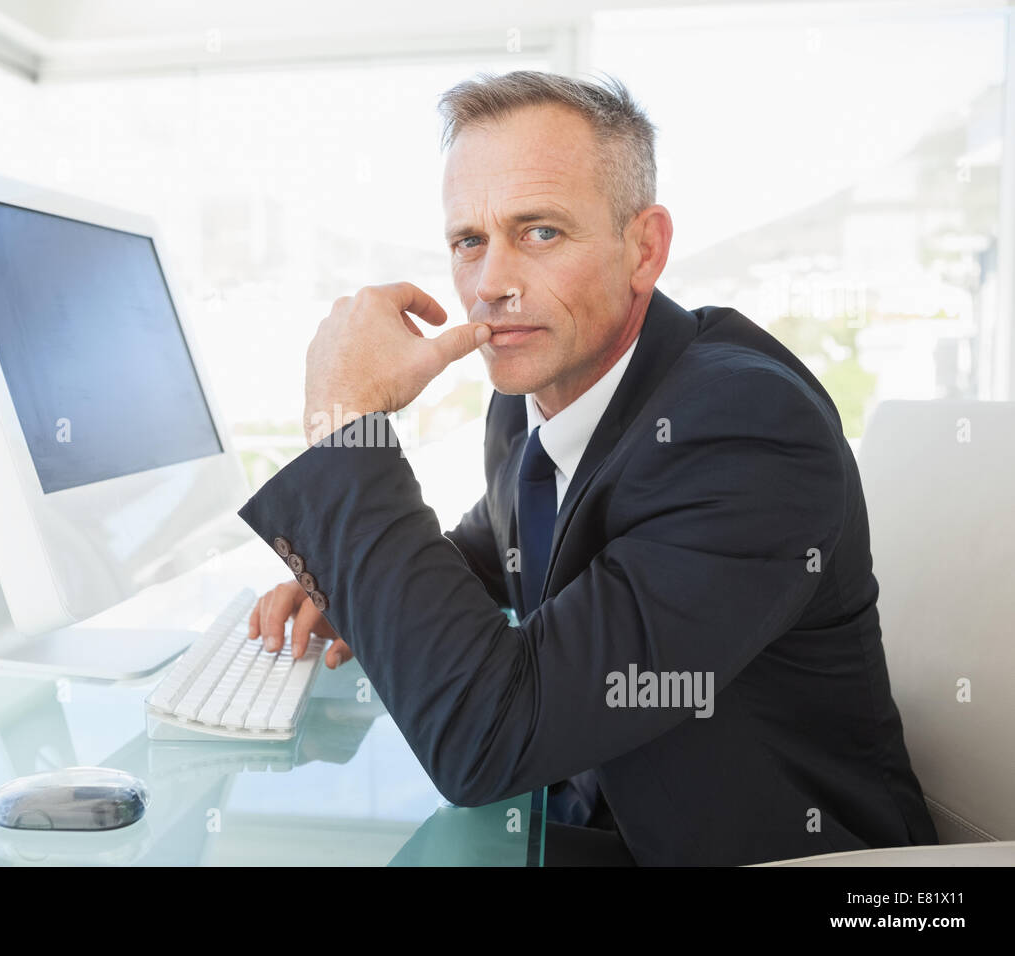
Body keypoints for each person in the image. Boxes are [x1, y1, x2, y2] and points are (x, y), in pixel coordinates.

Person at [238, 70, 937, 866]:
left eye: (539, 232)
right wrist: (348, 575)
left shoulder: (744, 431)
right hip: (580, 826)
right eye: (470, 241)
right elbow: (494, 553)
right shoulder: (535, 392)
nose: (490, 285)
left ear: (645, 249)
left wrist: (346, 434)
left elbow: (487, 739)